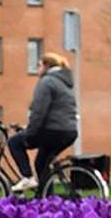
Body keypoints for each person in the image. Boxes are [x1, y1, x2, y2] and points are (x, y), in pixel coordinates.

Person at [9, 52, 79, 192]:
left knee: (15, 142)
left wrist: (29, 133)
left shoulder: (47, 82)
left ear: (46, 66)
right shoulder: (63, 83)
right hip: (69, 131)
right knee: (42, 163)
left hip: (54, 131)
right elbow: (56, 113)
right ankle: (46, 198)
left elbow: (39, 112)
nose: (37, 70)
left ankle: (27, 178)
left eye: (39, 66)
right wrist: (28, 128)